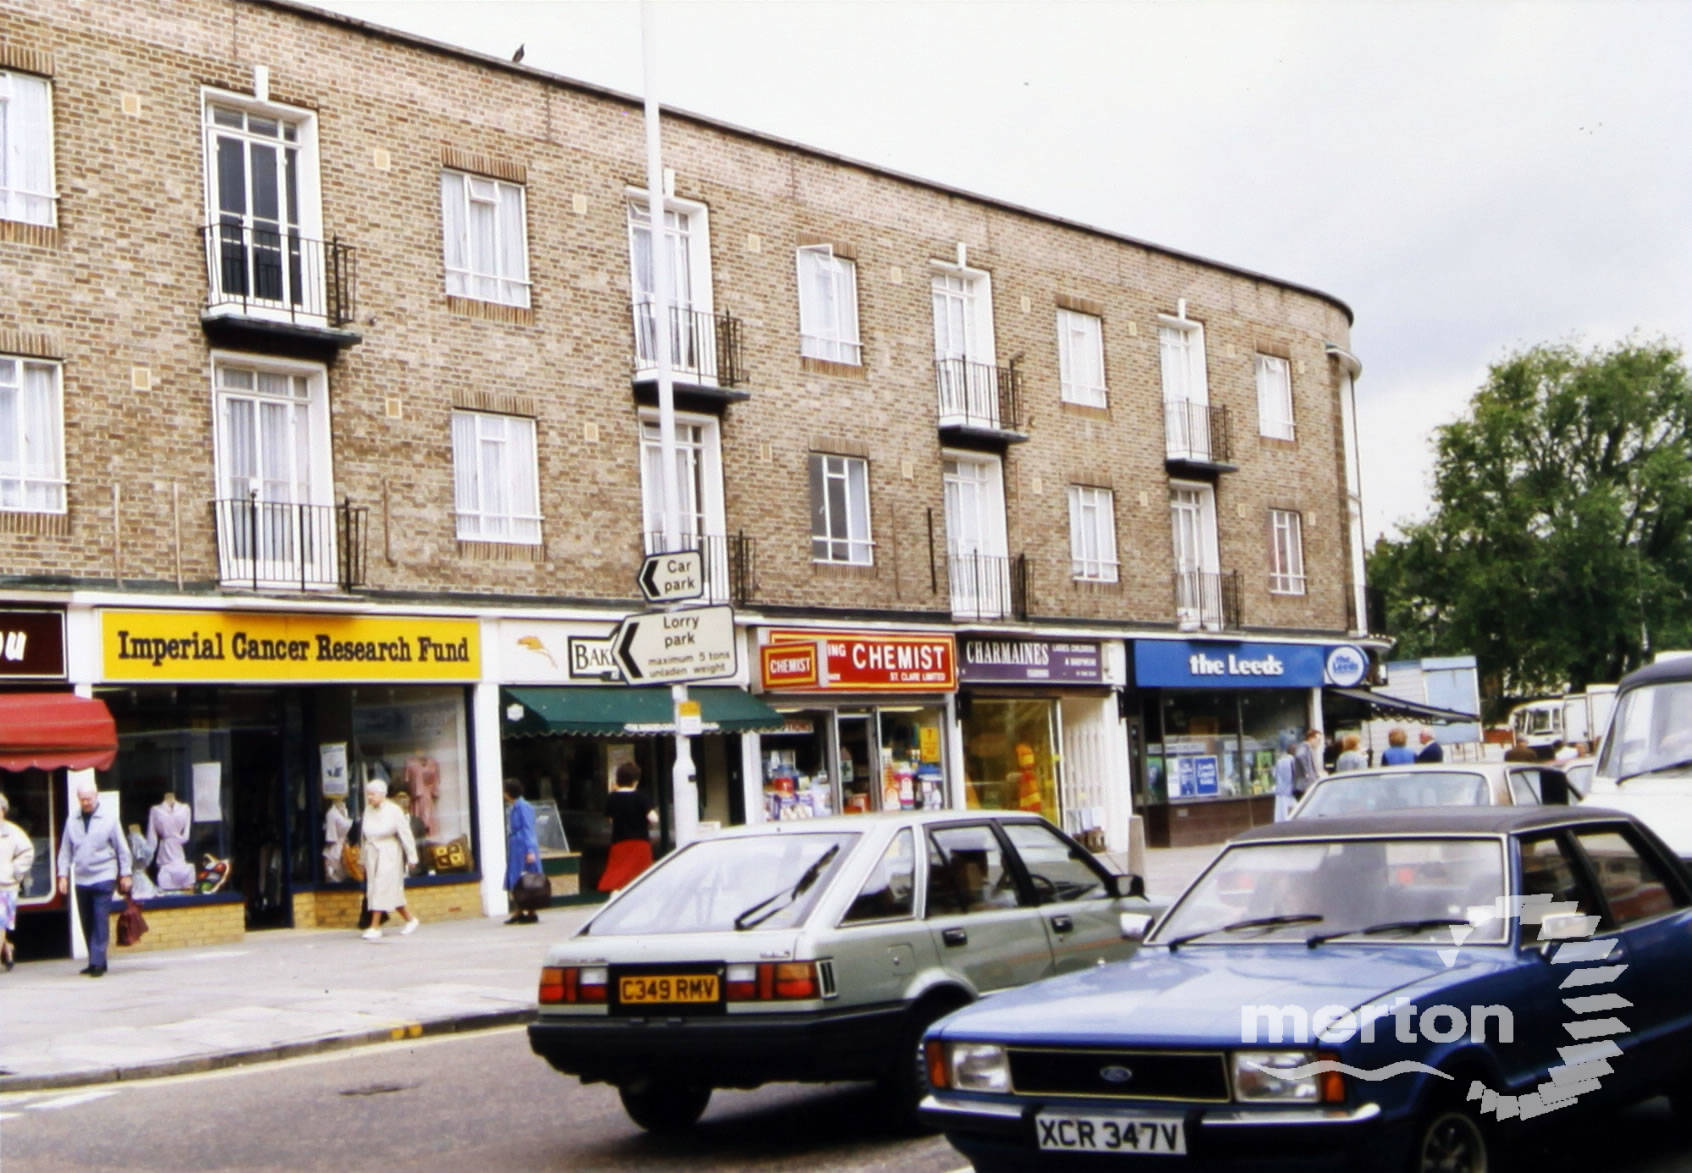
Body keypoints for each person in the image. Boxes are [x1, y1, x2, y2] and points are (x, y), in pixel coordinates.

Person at [56, 780, 132, 977]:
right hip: (81, 878)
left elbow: (122, 849)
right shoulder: (72, 821)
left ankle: (97, 964)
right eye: (82, 800)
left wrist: (126, 873)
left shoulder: (109, 818)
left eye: (89, 799)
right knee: (87, 920)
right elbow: (65, 851)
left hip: (104, 875)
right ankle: (96, 959)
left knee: (100, 919)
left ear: (96, 796)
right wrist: (62, 875)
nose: (86, 803)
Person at [358, 779, 419, 940]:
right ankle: (410, 919)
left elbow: (406, 834)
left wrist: (412, 857)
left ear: (382, 794)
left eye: (373, 794)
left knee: (381, 886)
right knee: (379, 889)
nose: (370, 798)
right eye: (368, 794)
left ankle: (375, 926)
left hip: (389, 852)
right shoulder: (368, 811)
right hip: (372, 851)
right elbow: (363, 837)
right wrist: (362, 859)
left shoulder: (394, 811)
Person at [598, 761, 657, 892]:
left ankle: (616, 895)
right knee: (641, 875)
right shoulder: (642, 797)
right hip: (640, 842)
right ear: (635, 780)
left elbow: (611, 820)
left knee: (619, 873)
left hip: (619, 842)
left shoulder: (612, 798)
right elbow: (654, 818)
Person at [0, 793, 36, 972]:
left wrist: (13, 870)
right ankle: (7, 947)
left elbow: (27, 852)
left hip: (4, 886)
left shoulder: (13, 833)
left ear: (3, 811)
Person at [503, 777, 543, 924]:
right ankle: (520, 910)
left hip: (524, 848)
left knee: (528, 880)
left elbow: (528, 828)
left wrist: (530, 850)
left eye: (505, 791)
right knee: (516, 880)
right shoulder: (513, 807)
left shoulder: (523, 807)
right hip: (516, 847)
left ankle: (530, 911)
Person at [1291, 728, 1324, 801]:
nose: (1319, 743)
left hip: (1304, 785)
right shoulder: (1304, 747)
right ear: (1311, 738)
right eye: (1318, 740)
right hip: (1304, 786)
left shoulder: (1307, 748)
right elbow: (1300, 755)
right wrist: (1307, 773)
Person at [1272, 737, 1298, 821]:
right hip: (1290, 791)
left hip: (1280, 791)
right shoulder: (1292, 761)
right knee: (1292, 812)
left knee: (1281, 813)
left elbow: (1274, 774)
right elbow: (1295, 775)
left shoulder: (1280, 760)